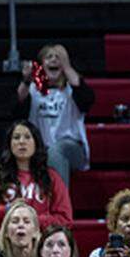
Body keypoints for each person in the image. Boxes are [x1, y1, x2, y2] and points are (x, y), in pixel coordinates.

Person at [0, 120, 73, 244]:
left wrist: (31, 220)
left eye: (27, 137)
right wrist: (7, 210)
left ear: (36, 143)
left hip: (41, 246)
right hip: (5, 246)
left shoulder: (52, 177)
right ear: (9, 144)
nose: (21, 141)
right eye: (16, 137)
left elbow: (65, 220)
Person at [13, 43, 94, 186]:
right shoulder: (33, 90)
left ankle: (59, 205)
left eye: (58, 57)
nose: (53, 60)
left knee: (56, 151)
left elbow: (88, 99)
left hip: (72, 149)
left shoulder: (72, 89)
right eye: (48, 57)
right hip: (40, 150)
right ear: (41, 65)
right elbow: (16, 108)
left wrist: (67, 66)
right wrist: (26, 79)